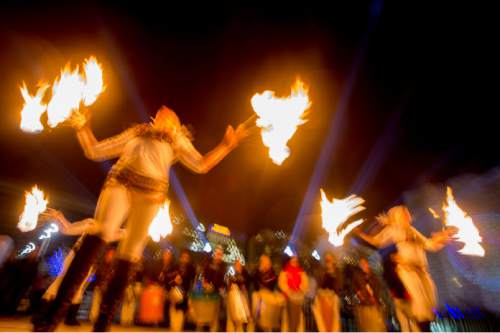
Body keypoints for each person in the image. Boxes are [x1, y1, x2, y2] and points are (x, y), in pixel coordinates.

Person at [34, 105, 248, 332]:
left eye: (172, 115)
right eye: (160, 112)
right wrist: (82, 127)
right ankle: (52, 317)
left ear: (176, 126)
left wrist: (227, 146)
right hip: (120, 184)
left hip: (151, 194)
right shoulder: (137, 133)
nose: (165, 112)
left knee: (131, 253)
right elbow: (94, 150)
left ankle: (102, 325)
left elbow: (202, 164)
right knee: (101, 232)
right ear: (154, 119)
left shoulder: (177, 142)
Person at [355, 205, 457, 331]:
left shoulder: (413, 231)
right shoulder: (394, 230)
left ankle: (424, 328)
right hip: (408, 271)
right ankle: (423, 329)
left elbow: (428, 244)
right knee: (420, 307)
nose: (407, 216)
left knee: (429, 306)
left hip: (422, 271)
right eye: (404, 214)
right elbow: (377, 241)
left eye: (407, 213)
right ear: (398, 217)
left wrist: (443, 236)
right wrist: (360, 233)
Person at [31, 209, 123, 327]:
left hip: (92, 262)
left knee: (79, 290)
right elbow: (68, 229)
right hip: (77, 256)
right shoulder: (92, 223)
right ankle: (41, 316)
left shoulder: (111, 231)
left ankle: (70, 318)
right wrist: (60, 218)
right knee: (59, 284)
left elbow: (125, 233)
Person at [351, 257, 386, 331]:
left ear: (368, 264)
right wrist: (359, 294)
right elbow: (354, 286)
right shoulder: (357, 276)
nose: (363, 265)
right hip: (364, 306)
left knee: (377, 327)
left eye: (364, 263)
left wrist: (375, 297)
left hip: (374, 305)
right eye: (361, 264)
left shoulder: (373, 276)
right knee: (367, 327)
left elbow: (378, 288)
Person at [251, 254, 283, 332]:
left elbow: (274, 283)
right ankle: (257, 321)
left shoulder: (273, 274)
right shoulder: (257, 272)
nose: (266, 264)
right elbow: (255, 284)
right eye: (264, 262)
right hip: (260, 294)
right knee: (258, 306)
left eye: (267, 262)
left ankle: (272, 325)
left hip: (270, 294)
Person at [312, 252, 342, 332]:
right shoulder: (321, 270)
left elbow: (339, 285)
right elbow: (318, 283)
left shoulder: (337, 271)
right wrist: (326, 273)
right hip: (322, 297)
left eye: (330, 258)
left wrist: (332, 273)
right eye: (326, 258)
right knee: (323, 320)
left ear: (333, 259)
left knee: (333, 320)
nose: (328, 260)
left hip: (333, 298)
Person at [168, 249, 196, 331]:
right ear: (180, 258)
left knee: (182, 310)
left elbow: (193, 281)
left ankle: (178, 328)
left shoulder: (191, 268)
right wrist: (174, 280)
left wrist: (191, 291)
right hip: (175, 291)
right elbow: (169, 277)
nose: (185, 259)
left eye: (187, 257)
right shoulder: (175, 266)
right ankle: (173, 327)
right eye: (183, 257)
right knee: (173, 309)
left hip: (185, 292)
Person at [278, 255, 308, 332]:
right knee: (290, 315)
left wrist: (300, 290)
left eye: (296, 261)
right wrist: (289, 291)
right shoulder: (285, 272)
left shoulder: (301, 272)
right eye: (293, 261)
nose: (294, 262)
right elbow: (282, 283)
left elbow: (305, 284)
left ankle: (295, 329)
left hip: (298, 297)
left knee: (297, 316)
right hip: (288, 297)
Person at [226, 259, 251, 332]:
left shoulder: (245, 274)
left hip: (241, 297)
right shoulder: (231, 274)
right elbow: (230, 284)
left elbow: (244, 284)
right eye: (236, 265)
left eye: (239, 265)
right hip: (232, 296)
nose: (238, 266)